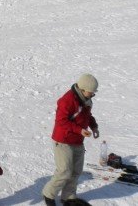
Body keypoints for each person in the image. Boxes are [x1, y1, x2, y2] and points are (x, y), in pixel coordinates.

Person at [42, 74, 99, 205]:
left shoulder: (86, 99)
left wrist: (94, 127)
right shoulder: (67, 101)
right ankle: (48, 194)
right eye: (91, 92)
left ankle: (68, 197)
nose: (92, 95)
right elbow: (61, 122)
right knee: (64, 171)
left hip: (78, 141)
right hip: (63, 141)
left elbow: (87, 116)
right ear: (83, 89)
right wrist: (79, 130)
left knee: (76, 171)